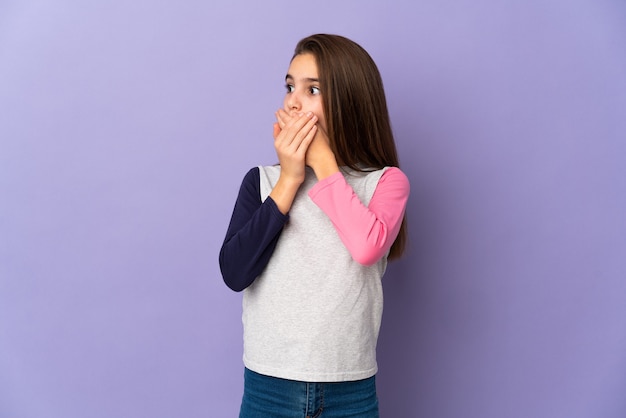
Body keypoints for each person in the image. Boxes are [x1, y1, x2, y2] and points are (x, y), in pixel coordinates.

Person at [219, 33, 409, 418]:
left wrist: (323, 165)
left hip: (350, 390)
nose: (292, 100)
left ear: (349, 101)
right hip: (268, 385)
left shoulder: (385, 183)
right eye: (289, 86)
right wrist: (289, 180)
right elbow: (234, 272)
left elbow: (366, 247)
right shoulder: (261, 182)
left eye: (313, 89)